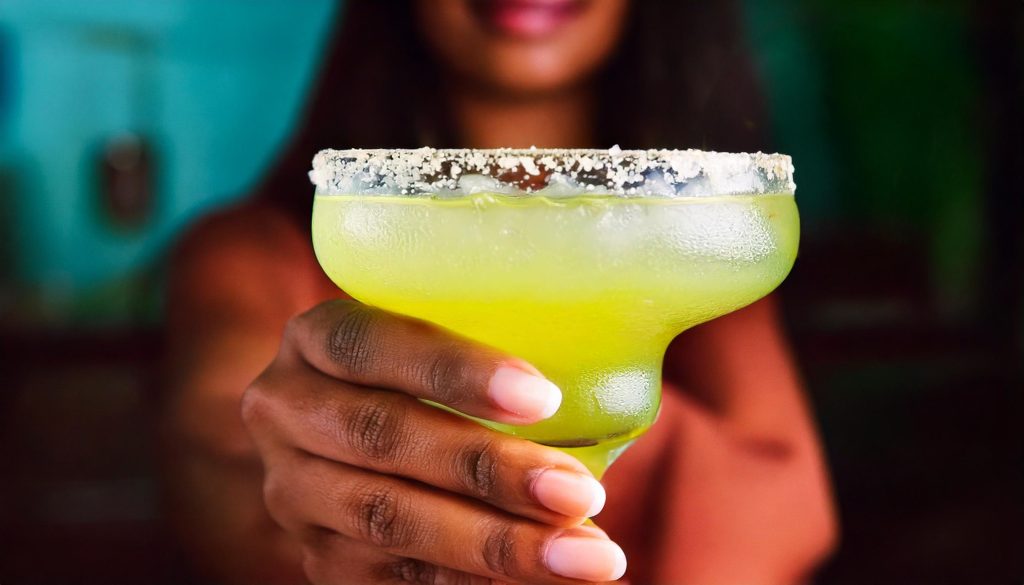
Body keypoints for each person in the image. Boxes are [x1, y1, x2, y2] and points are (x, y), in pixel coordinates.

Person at [162, 1, 837, 583]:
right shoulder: (255, 251)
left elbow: (791, 506)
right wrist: (311, 489)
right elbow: (226, 446)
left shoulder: (694, 239)